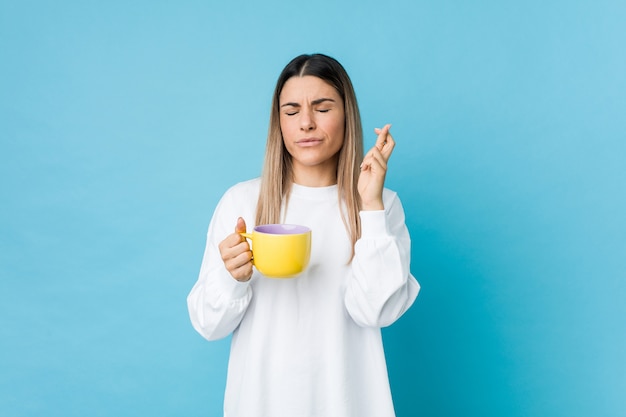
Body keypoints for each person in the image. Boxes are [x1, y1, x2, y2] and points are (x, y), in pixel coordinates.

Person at [187, 53, 420, 417]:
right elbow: (207, 324)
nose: (306, 123)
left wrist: (370, 205)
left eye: (322, 108)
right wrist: (233, 279)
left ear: (347, 115)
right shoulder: (243, 202)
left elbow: (377, 311)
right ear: (278, 123)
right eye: (291, 111)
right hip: (259, 404)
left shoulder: (381, 206)